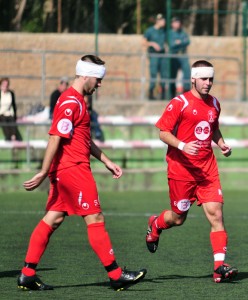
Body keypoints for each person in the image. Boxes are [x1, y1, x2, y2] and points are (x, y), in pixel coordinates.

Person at [17, 55, 147, 292]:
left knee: (53, 219)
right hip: (73, 170)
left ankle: (27, 274)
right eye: (97, 80)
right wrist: (43, 171)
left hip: (67, 169)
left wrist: (106, 160)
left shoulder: (77, 101)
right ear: (85, 75)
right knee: (95, 219)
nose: (99, 85)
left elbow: (83, 139)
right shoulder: (71, 102)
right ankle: (116, 275)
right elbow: (56, 136)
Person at [146, 60, 238, 283]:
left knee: (216, 215)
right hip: (181, 170)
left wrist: (221, 143)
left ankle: (219, 268)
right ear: (193, 78)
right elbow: (163, 132)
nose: (208, 83)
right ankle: (155, 224)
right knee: (178, 219)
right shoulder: (179, 103)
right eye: (204, 79)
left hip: (207, 170)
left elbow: (213, 128)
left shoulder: (215, 103)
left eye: (211, 79)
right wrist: (182, 145)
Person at [143, 14, 167, 100]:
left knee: (164, 74)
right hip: (154, 55)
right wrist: (152, 44)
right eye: (162, 20)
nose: (164, 22)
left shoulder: (163, 31)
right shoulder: (150, 31)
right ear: (157, 21)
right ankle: (151, 93)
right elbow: (143, 42)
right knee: (153, 74)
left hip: (162, 55)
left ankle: (163, 94)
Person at [169, 17, 191, 98]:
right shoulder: (170, 33)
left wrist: (179, 42)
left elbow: (187, 42)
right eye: (175, 22)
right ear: (172, 24)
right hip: (174, 55)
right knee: (172, 74)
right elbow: (171, 44)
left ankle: (187, 92)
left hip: (183, 55)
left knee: (187, 73)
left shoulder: (183, 32)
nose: (177, 24)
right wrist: (181, 43)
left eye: (178, 22)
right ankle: (171, 93)